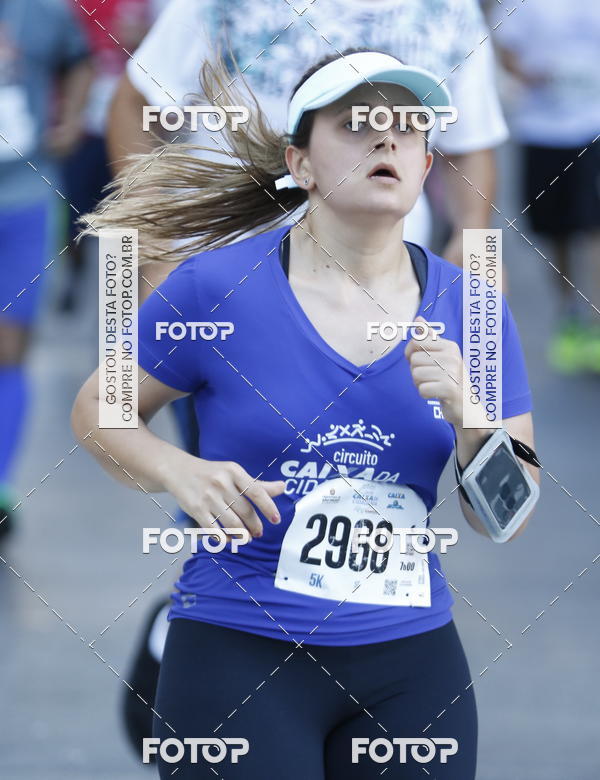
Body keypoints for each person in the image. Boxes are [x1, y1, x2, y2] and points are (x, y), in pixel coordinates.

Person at [72, 48, 539, 778]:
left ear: (424, 167)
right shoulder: (216, 289)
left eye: (408, 129)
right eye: (359, 124)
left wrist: (473, 420)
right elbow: (100, 406)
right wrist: (178, 471)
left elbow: (508, 514)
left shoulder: (472, 308)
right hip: (237, 647)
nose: (388, 139)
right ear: (302, 162)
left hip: (410, 663)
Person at [108, 0, 509, 297]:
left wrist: (474, 243)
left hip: (380, 301)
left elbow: (470, 141)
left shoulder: (450, 2)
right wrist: (151, 250)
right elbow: (135, 104)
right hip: (225, 293)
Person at [0, 0, 92, 541]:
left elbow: (80, 60)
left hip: (25, 196)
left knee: (10, 348)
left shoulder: (38, 2)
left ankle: (0, 484)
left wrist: (68, 122)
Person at [41, 0, 182, 311]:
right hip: (72, 117)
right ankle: (73, 272)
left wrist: (151, 35)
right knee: (72, 208)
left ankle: (120, 310)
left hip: (133, 114)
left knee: (127, 213)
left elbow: (179, 34)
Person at [493, 0, 600, 373]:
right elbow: (504, 44)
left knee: (594, 224)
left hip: (594, 125)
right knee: (556, 230)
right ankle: (571, 310)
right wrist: (530, 77)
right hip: (544, 130)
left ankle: (594, 314)